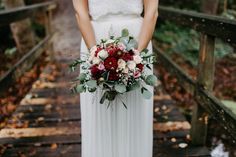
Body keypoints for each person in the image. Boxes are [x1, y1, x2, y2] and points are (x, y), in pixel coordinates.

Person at [72, 0, 159, 157]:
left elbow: (152, 13)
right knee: (101, 108)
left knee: (133, 107)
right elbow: (80, 13)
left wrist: (136, 56)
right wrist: (96, 55)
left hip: (136, 40)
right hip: (96, 38)